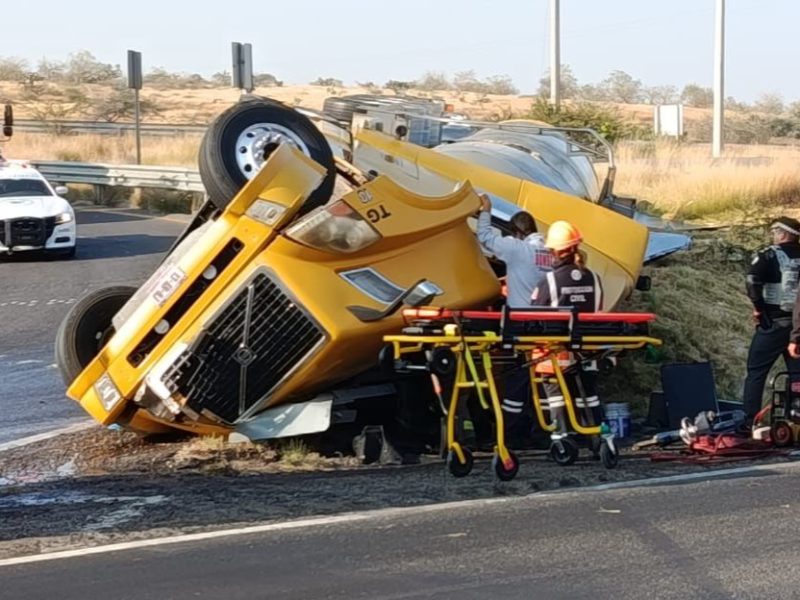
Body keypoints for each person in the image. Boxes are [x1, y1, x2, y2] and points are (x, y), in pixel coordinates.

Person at [476, 193, 551, 445]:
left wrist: (485, 210)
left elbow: (485, 238)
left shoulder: (518, 249)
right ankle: (542, 428)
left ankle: (509, 433)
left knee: (516, 377)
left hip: (520, 324)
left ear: (516, 233)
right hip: (548, 326)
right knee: (543, 378)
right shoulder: (550, 254)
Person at [531, 220, 604, 434]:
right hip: (586, 353)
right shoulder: (594, 278)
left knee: (555, 398)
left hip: (554, 356)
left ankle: (561, 436)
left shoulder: (550, 281)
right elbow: (597, 311)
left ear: (554, 251)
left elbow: (534, 314)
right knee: (588, 397)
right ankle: (596, 436)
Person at [743, 217, 800, 421]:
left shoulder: (768, 255)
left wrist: (759, 309)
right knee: (797, 376)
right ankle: (795, 421)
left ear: (784, 234)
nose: (774, 236)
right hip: (798, 328)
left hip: (773, 323)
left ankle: (750, 421)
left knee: (756, 372)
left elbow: (752, 281)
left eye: (776, 232)